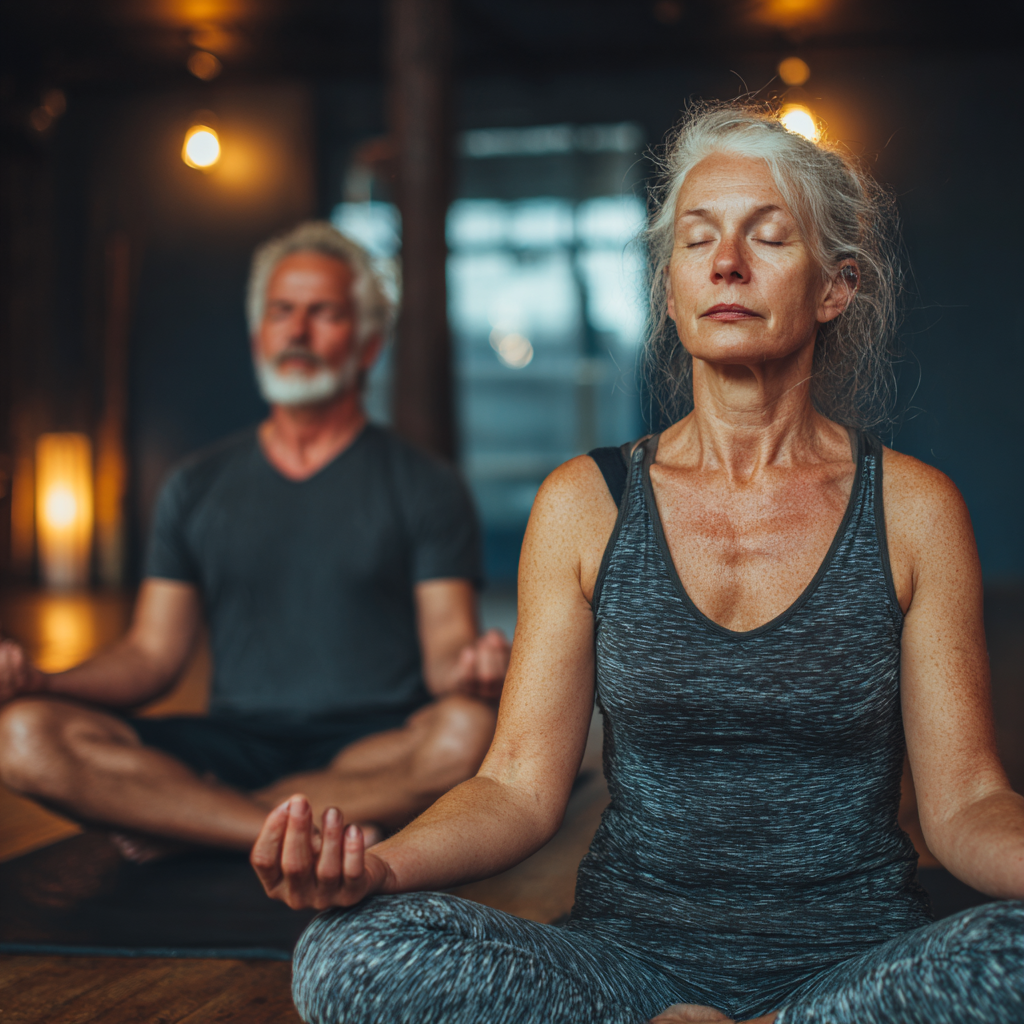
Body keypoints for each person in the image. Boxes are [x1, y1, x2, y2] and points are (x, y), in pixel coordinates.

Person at [247, 106, 1024, 1024]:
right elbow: (516, 788)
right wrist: (378, 868)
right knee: (347, 954)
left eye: (768, 238)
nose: (726, 263)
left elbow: (968, 802)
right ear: (670, 288)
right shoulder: (586, 503)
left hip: (849, 974)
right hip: (629, 971)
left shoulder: (913, 510)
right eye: (697, 242)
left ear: (834, 287)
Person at [0, 222, 509, 860]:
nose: (297, 332)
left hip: (374, 748)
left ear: (369, 345)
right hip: (233, 742)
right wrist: (42, 683)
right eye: (281, 313)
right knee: (24, 734)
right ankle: (269, 832)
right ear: (256, 337)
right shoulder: (195, 485)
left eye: (322, 313)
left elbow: (446, 658)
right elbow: (149, 658)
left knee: (465, 731)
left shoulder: (425, 486)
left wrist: (475, 667)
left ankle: (184, 821)